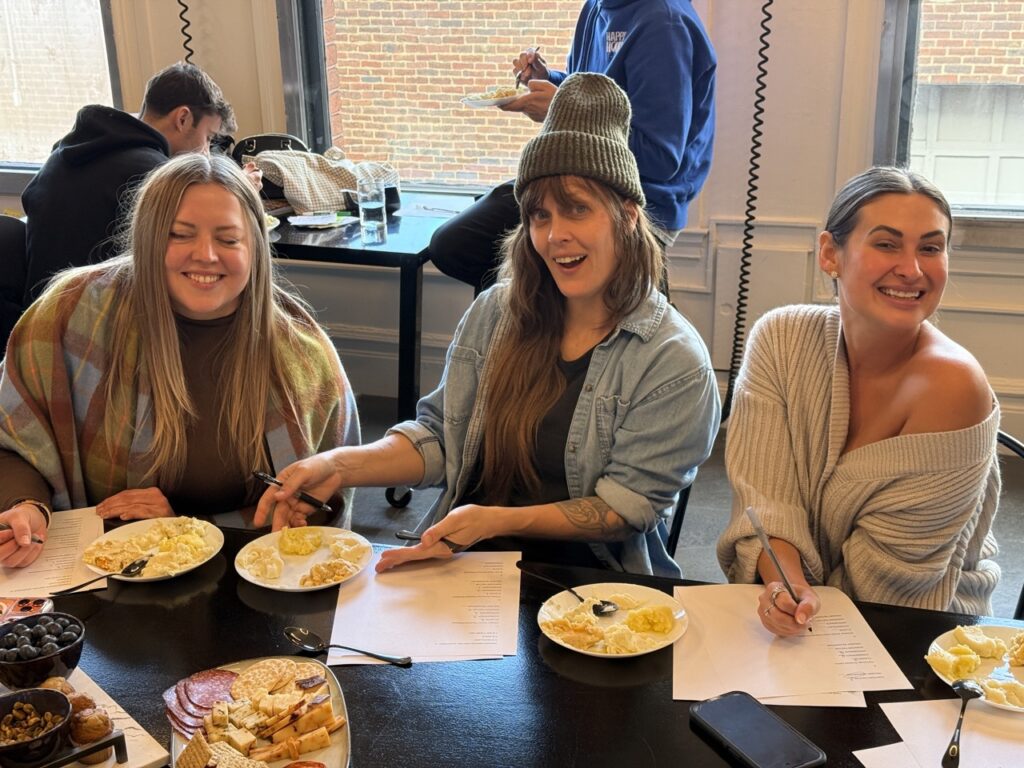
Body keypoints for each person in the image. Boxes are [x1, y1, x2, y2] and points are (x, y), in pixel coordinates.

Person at [257, 73, 720, 577]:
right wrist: (339, 465)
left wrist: (492, 521)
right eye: (539, 216)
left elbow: (624, 511)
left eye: (578, 210)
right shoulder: (497, 312)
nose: (555, 235)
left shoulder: (673, 359)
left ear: (628, 216)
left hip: (593, 585)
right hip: (463, 563)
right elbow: (439, 437)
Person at [0, 154, 358, 568]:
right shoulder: (67, 315)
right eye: (179, 235)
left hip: (243, 578)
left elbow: (327, 505)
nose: (206, 255)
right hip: (96, 576)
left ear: (255, 248)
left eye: (228, 239)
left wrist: (180, 531)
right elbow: (9, 443)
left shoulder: (303, 353)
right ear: (148, 239)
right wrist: (24, 506)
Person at [717, 167, 1001, 634]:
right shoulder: (781, 340)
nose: (912, 269)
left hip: (921, 632)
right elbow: (766, 504)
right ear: (831, 254)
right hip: (805, 624)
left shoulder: (953, 387)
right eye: (887, 244)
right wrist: (785, 589)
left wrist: (806, 605)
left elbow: (893, 587)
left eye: (930, 248)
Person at [427, 0, 716, 294]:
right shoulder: (596, 7)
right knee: (457, 245)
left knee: (465, 247)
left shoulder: (663, 24)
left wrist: (559, 107)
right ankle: (537, 325)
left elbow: (661, 158)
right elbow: (590, 91)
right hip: (576, 177)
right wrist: (548, 79)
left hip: (636, 201)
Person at [20, 61, 261, 307]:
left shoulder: (64, 152)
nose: (207, 154)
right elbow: (201, 239)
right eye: (208, 138)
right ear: (183, 118)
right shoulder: (155, 175)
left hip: (40, 313)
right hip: (98, 322)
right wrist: (242, 195)